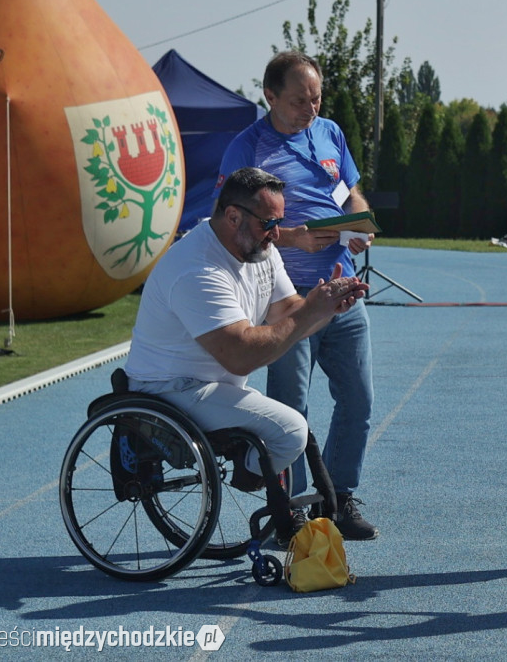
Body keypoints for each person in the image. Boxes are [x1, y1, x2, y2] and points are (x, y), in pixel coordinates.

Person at [124, 167, 367, 544]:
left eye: (280, 222)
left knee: (291, 429)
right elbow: (241, 357)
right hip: (170, 389)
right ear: (233, 215)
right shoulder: (197, 268)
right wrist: (308, 312)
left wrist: (325, 308)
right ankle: (252, 475)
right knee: (290, 429)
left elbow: (288, 314)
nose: (276, 233)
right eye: (269, 222)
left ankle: (260, 478)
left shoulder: (259, 249)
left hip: (210, 385)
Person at [216, 51, 378, 539]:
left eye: (317, 97)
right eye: (299, 100)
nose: (312, 107)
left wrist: (358, 223)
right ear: (269, 97)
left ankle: (339, 498)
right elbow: (226, 225)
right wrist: (292, 237)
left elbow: (352, 193)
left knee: (359, 400)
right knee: (291, 412)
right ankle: (294, 511)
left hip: (344, 289)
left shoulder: (329, 132)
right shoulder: (247, 148)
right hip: (287, 299)